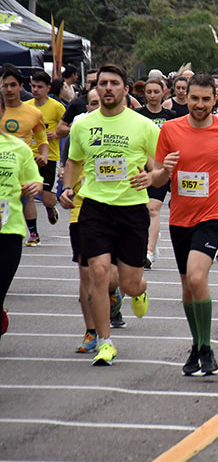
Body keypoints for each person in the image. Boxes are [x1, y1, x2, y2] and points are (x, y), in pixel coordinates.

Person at [152, 73, 218, 375]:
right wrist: (165, 171)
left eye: (205, 99)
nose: (199, 104)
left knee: (197, 279)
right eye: (194, 98)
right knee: (188, 287)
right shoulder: (170, 129)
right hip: (180, 217)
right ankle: (196, 346)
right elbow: (157, 178)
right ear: (185, 97)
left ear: (215, 99)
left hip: (214, 214)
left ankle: (207, 347)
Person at [60, 64, 159, 366]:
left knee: (128, 284)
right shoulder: (83, 125)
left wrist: (151, 177)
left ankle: (139, 291)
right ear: (96, 88)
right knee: (98, 272)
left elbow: (162, 168)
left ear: (126, 89)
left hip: (131, 209)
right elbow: (74, 161)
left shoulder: (144, 126)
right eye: (102, 83)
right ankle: (105, 341)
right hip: (94, 207)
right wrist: (67, 188)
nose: (107, 88)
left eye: (114, 83)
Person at [0, 92, 44, 340]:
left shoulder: (17, 148)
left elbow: (33, 179)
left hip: (9, 229)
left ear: (2, 112)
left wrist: (35, 186)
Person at [1, 66, 48, 246]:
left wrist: (44, 155)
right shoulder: (0, 110)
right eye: (5, 85)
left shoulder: (34, 113)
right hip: (3, 164)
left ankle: (33, 233)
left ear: (21, 86)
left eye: (13, 85)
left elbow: (42, 139)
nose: (9, 89)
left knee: (27, 196)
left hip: (23, 163)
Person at [136, 78, 178, 268]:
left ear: (164, 93)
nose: (152, 96)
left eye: (156, 92)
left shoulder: (171, 116)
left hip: (163, 168)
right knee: (142, 210)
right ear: (144, 94)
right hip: (141, 167)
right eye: (149, 92)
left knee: (153, 208)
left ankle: (149, 251)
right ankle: (148, 239)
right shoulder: (138, 116)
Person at [27, 71, 66, 228]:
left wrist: (56, 134)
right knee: (28, 195)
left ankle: (50, 208)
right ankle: (33, 233)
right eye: (33, 86)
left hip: (50, 156)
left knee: (48, 199)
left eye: (40, 87)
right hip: (29, 156)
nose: (35, 90)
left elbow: (70, 127)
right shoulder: (26, 106)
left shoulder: (57, 107)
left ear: (48, 88)